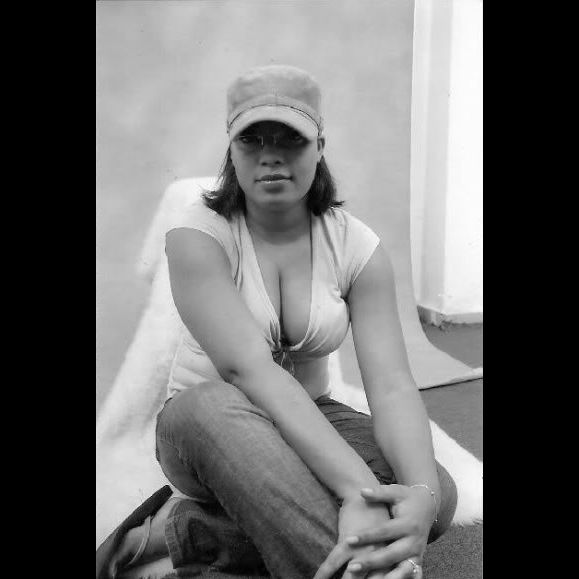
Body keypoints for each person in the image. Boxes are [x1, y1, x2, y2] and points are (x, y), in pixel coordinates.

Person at [97, 64, 457, 579]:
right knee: (211, 403)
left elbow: (393, 386)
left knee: (437, 496)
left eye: (290, 138)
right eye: (252, 139)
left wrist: (420, 495)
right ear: (231, 149)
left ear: (319, 146)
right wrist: (357, 490)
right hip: (208, 428)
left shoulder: (357, 246)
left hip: (313, 414)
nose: (271, 155)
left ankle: (183, 530)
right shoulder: (196, 236)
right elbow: (248, 370)